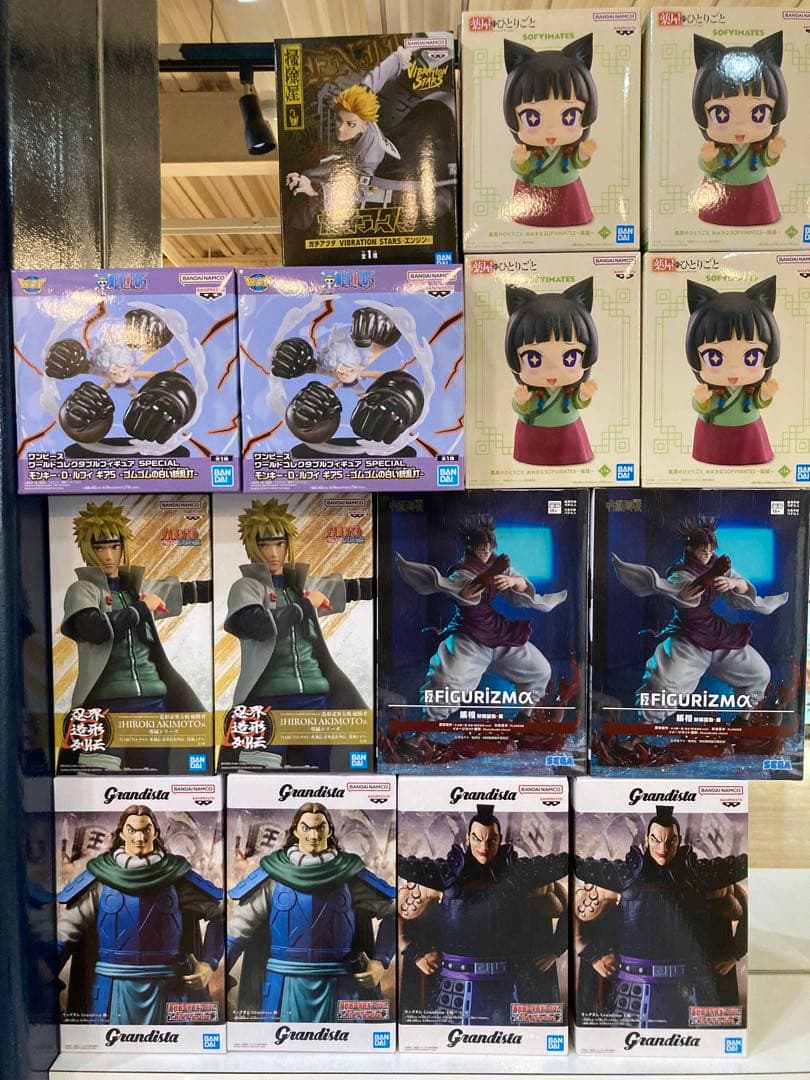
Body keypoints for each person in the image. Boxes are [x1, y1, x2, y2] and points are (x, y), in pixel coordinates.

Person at [59, 500, 211, 770]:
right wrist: (141, 609)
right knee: (99, 777)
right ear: (88, 550)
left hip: (153, 701)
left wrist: (223, 582)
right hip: (105, 705)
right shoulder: (83, 590)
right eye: (99, 548)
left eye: (114, 546)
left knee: (153, 775)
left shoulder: (135, 589)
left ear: (123, 548)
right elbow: (94, 629)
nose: (108, 556)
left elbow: (189, 591)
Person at [222, 498, 372, 768]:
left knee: (315, 773)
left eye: (279, 544)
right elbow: (259, 625)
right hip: (266, 702)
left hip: (314, 698)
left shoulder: (299, 587)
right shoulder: (246, 587)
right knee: (259, 775)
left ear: (288, 544)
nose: (272, 553)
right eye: (264, 545)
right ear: (252, 547)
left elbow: (349, 588)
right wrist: (304, 606)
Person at [573, 805, 747, 1028]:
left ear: (679, 841)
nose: (662, 848)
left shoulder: (700, 876)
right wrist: (591, 954)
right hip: (634, 987)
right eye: (656, 840)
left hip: (690, 988)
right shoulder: (623, 876)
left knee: (698, 1042)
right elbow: (578, 908)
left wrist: (735, 952)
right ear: (647, 840)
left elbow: (740, 899)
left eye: (670, 841)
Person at [397, 805, 568, 1026]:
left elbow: (566, 902)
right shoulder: (444, 875)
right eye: (477, 839)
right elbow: (398, 910)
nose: (484, 847)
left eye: (491, 840)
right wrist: (414, 953)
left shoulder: (520, 874)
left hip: (510, 983)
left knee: (513, 1037)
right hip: (456, 984)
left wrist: (555, 949)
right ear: (468, 838)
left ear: (500, 840)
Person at [227, 801, 396, 1023]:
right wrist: (212, 968)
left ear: (329, 831)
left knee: (347, 1040)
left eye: (320, 828)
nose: (313, 835)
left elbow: (392, 913)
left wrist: (380, 961)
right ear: (296, 831)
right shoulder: (272, 876)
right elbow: (238, 930)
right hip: (284, 986)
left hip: (341, 984)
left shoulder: (350, 875)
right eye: (306, 828)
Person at [56, 803, 223, 1025]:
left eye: (145, 830)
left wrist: (208, 963)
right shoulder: (100, 878)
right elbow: (66, 931)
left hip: (168, 987)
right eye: (132, 830)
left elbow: (220, 912)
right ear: (122, 833)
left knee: (175, 1043)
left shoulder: (176, 877)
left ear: (155, 832)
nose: (139, 837)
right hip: (112, 989)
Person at [612, 516, 788, 724]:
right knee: (663, 684)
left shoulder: (716, 563)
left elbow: (742, 586)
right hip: (688, 638)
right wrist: (712, 574)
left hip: (715, 633)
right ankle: (641, 732)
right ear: (689, 547)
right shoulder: (680, 573)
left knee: (758, 673)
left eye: (711, 548)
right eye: (702, 548)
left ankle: (743, 721)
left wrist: (732, 583)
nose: (707, 552)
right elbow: (686, 596)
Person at [395, 514, 567, 723]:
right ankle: (426, 728)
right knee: (446, 681)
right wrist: (491, 573)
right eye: (481, 547)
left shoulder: (496, 562)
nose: (486, 550)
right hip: (470, 635)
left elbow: (522, 585)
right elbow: (467, 593)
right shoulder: (462, 571)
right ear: (470, 546)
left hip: (496, 631)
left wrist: (512, 581)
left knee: (539, 670)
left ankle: (525, 717)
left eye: (489, 546)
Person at [692, 32, 786, 227]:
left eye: (759, 112)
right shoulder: (720, 147)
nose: (741, 127)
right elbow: (709, 165)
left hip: (755, 189)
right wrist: (708, 158)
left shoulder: (756, 146)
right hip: (720, 190)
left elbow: (764, 161)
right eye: (721, 114)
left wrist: (772, 153)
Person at [503, 36, 598, 227]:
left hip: (567, 189)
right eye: (532, 117)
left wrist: (583, 155)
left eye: (569, 116)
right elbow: (521, 167)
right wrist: (520, 161)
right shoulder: (531, 150)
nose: (551, 130)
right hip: (532, 191)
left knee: (569, 216)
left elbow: (575, 162)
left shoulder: (567, 149)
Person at [685, 277, 780, 466]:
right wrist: (701, 400)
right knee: (711, 457)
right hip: (712, 432)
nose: (733, 370)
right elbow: (700, 405)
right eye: (714, 356)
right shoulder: (712, 390)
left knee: (749, 455)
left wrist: (765, 395)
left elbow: (757, 403)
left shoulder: (749, 389)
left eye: (752, 356)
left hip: (748, 429)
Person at [504, 278, 598, 466]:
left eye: (570, 356)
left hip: (568, 430)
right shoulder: (531, 391)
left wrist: (584, 395)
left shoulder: (568, 390)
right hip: (532, 433)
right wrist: (521, 401)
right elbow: (520, 407)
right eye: (533, 357)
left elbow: (576, 403)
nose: (552, 371)